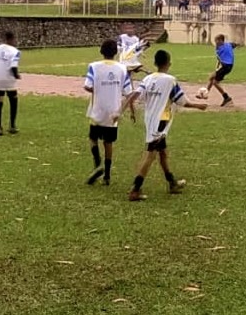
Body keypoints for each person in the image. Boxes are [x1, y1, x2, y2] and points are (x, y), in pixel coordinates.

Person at [123, 50, 207, 201]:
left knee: (163, 153)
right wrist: (199, 106)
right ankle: (135, 190)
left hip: (150, 120)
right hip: (161, 122)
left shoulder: (148, 79)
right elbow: (182, 101)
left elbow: (136, 95)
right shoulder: (170, 80)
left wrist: (126, 109)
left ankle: (172, 183)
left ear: (155, 63)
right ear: (169, 63)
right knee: (150, 155)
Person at [83, 39, 134, 186]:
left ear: (101, 51)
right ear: (116, 52)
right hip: (114, 111)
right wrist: (131, 110)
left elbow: (87, 86)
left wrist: (100, 89)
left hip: (98, 108)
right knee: (108, 142)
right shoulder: (122, 69)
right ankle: (107, 176)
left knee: (93, 138)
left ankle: (97, 163)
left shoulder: (94, 66)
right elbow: (128, 92)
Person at [0, 32, 21, 136]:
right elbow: (13, 66)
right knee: (13, 98)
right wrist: (17, 75)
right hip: (8, 78)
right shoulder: (15, 51)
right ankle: (12, 125)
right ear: (11, 39)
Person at [196, 34, 236, 107]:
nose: (215, 42)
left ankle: (227, 98)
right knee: (211, 77)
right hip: (227, 66)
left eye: (217, 40)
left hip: (225, 66)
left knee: (215, 82)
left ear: (221, 40)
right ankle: (205, 93)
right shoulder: (228, 45)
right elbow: (232, 45)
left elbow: (219, 59)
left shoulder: (219, 49)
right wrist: (236, 45)